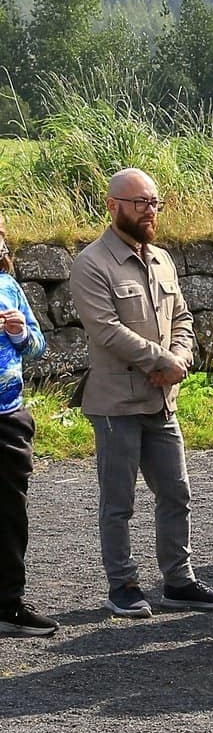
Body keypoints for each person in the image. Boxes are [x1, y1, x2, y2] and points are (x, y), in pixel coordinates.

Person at [69, 168, 213, 618]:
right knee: (119, 501)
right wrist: (163, 361)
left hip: (162, 402)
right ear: (112, 204)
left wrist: (178, 356)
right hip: (116, 404)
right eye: (139, 202)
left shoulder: (162, 259)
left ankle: (178, 581)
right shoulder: (92, 264)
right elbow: (105, 330)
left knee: (177, 493)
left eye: (154, 202)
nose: (149, 211)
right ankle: (122, 584)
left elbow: (182, 317)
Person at [0, 216, 55, 636]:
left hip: (10, 418)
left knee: (10, 514)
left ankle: (8, 602)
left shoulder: (9, 287)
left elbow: (38, 345)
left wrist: (21, 335)